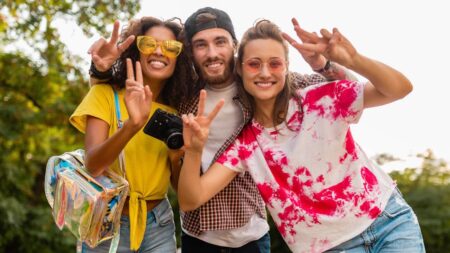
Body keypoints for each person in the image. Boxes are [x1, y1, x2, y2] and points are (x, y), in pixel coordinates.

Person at [88, 7, 356, 252]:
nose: (212, 53)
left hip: (252, 234)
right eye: (201, 45)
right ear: (191, 53)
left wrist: (324, 64)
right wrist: (99, 70)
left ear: (234, 46)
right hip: (198, 235)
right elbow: (134, 90)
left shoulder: (260, 83)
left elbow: (344, 93)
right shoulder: (182, 96)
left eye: (220, 42)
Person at [178, 19, 425, 253]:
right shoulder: (247, 145)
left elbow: (400, 89)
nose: (265, 72)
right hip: (327, 247)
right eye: (254, 64)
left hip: (388, 222)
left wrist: (354, 59)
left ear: (286, 68)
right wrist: (195, 149)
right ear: (240, 70)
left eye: (274, 63)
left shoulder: (322, 99)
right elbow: (191, 199)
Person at [70, 17, 195, 252]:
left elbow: (180, 188)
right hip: (106, 219)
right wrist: (131, 126)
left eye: (170, 47)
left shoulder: (177, 112)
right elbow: (93, 166)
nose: (159, 51)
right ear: (137, 49)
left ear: (179, 59)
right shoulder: (105, 95)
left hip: (159, 223)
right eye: (149, 43)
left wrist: (176, 156)